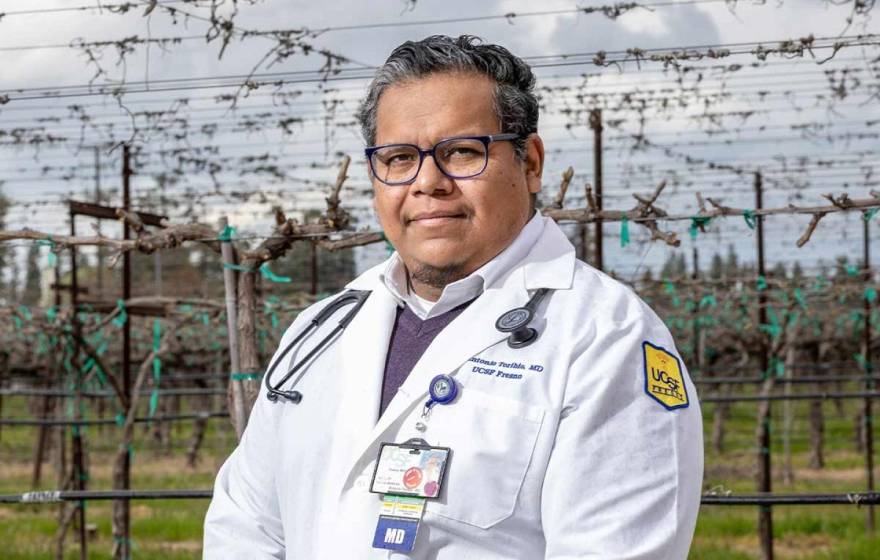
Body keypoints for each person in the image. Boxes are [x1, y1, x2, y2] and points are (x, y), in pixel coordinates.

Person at [204, 34, 703, 559]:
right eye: (399, 158)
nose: (428, 182)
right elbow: (244, 529)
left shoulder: (606, 339)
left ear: (530, 163)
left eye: (462, 152)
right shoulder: (320, 331)